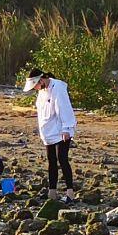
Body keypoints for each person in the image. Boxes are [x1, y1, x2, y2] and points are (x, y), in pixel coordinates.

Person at [23, 64, 78, 195]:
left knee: (62, 159)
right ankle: (52, 192)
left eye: (35, 85)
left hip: (61, 130)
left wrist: (66, 128)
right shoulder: (42, 92)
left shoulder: (57, 87)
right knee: (51, 160)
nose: (35, 89)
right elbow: (43, 113)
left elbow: (64, 108)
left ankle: (70, 192)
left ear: (41, 80)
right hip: (48, 132)